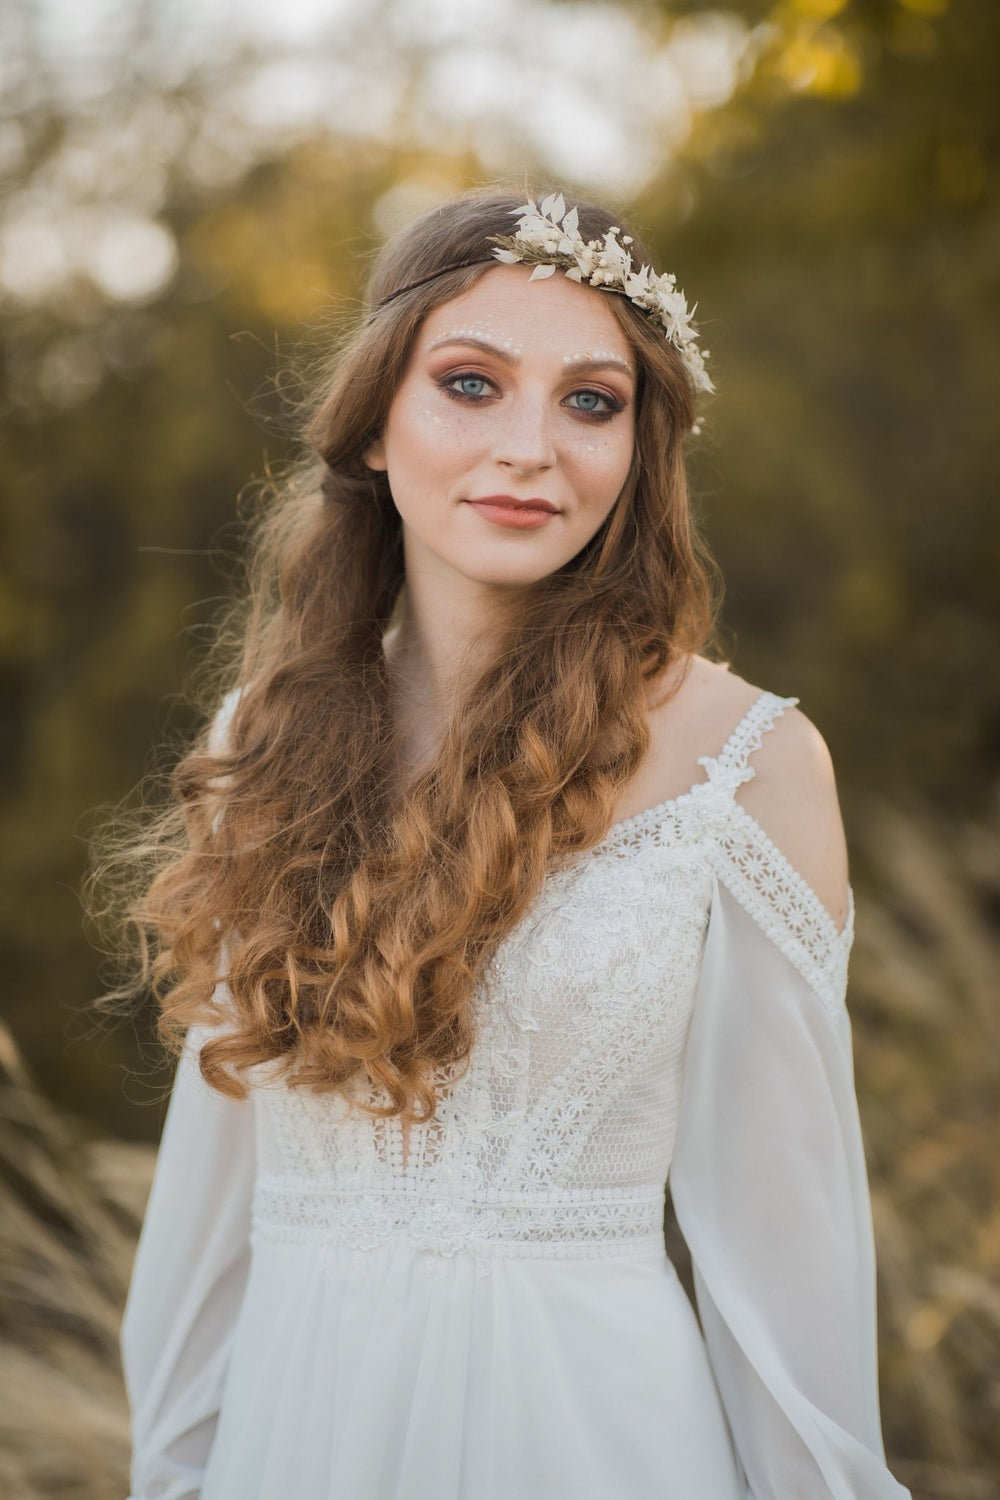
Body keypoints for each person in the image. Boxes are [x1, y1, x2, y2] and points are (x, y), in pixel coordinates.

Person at [110, 184, 912, 1498]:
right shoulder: (261, 735)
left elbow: (786, 1264)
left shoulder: (750, 764)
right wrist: (179, 1475)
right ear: (376, 422)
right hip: (296, 1438)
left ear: (641, 445)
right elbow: (207, 1220)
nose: (532, 448)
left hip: (594, 1436)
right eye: (471, 384)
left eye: (591, 401)